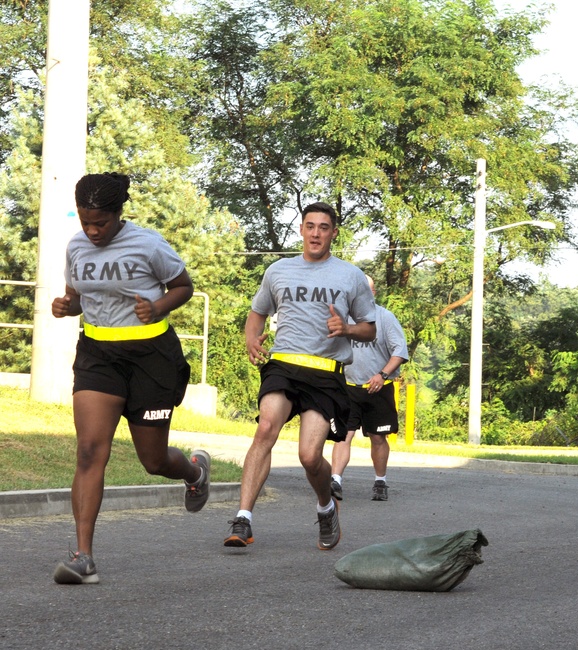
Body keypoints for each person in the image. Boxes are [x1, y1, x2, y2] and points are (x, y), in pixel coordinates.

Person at [51, 172, 210, 585]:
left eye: (99, 222)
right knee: (88, 451)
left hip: (151, 358)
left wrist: (158, 308)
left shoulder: (148, 244)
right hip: (98, 355)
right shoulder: (76, 246)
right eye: (86, 221)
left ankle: (193, 472)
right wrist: (67, 306)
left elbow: (183, 286)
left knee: (153, 461)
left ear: (118, 214)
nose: (91, 230)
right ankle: (83, 556)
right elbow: (79, 295)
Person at [224, 201, 376, 551]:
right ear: (302, 230)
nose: (316, 233)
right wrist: (251, 337)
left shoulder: (350, 275)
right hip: (284, 365)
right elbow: (257, 312)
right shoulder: (278, 271)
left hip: (325, 373)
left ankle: (326, 507)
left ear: (334, 233)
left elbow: (369, 329)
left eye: (324, 227)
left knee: (309, 456)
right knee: (265, 428)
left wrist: (348, 329)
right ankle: (243, 518)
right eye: (310, 226)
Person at [330, 275, 408, 502]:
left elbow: (399, 352)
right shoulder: (342, 319)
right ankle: (336, 480)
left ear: (372, 294)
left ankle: (380, 482)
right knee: (343, 436)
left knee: (377, 437)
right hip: (347, 387)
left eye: (366, 291)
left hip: (378, 388)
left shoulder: (385, 317)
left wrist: (383, 375)